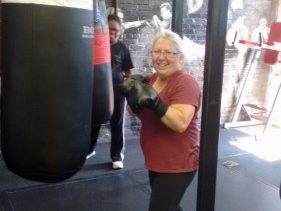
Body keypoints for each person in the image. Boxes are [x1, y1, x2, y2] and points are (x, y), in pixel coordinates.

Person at [120, 30, 201, 211]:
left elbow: (180, 123)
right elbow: (134, 112)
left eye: (168, 52)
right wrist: (130, 96)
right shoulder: (151, 79)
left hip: (178, 162)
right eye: (157, 51)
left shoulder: (185, 83)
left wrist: (155, 101)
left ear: (180, 57)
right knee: (169, 206)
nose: (161, 57)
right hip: (156, 158)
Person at [87, 14, 134, 169]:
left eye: (116, 31)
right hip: (97, 92)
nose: (112, 34)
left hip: (118, 93)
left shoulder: (122, 48)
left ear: (119, 32)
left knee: (117, 123)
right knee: (94, 122)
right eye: (110, 30)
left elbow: (129, 73)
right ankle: (89, 149)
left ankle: (116, 156)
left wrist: (129, 91)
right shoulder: (94, 45)